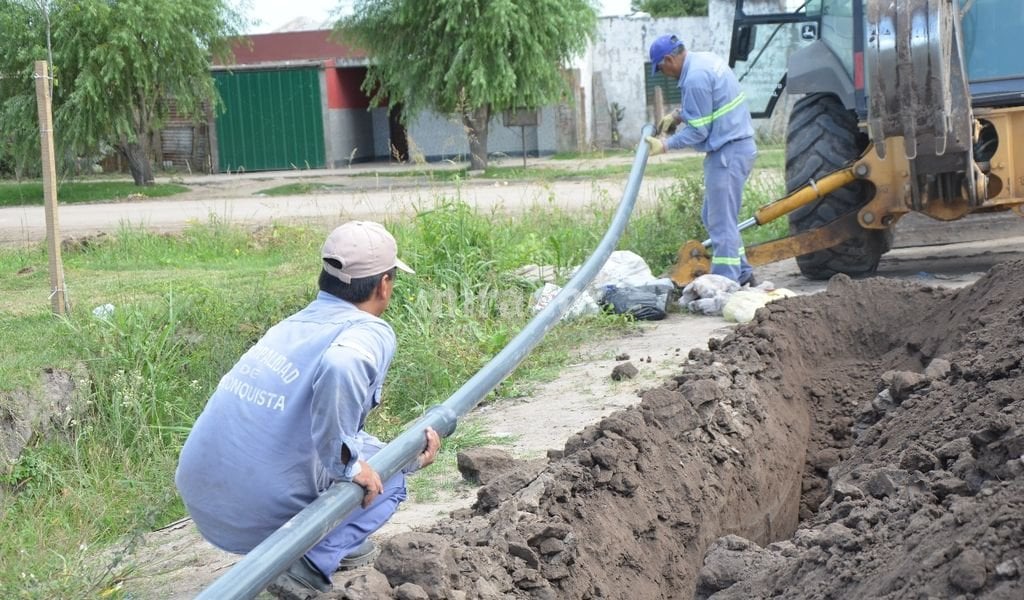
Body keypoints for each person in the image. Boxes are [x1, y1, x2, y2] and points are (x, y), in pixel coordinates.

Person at [175, 220, 441, 600]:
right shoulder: (368, 330)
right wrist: (354, 466)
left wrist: (405, 455)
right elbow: (342, 366)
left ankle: (334, 543)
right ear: (384, 284)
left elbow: (328, 428)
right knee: (389, 481)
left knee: (369, 458)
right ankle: (306, 565)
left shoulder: (294, 325)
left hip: (206, 502)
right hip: (254, 517)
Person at [647, 34, 759, 286]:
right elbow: (708, 106)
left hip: (728, 153)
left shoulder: (695, 78)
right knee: (713, 215)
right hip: (734, 148)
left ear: (668, 59)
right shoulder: (703, 60)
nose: (663, 73)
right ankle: (742, 272)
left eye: (661, 67)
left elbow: (699, 130)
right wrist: (677, 116)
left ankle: (725, 281)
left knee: (721, 221)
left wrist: (665, 145)